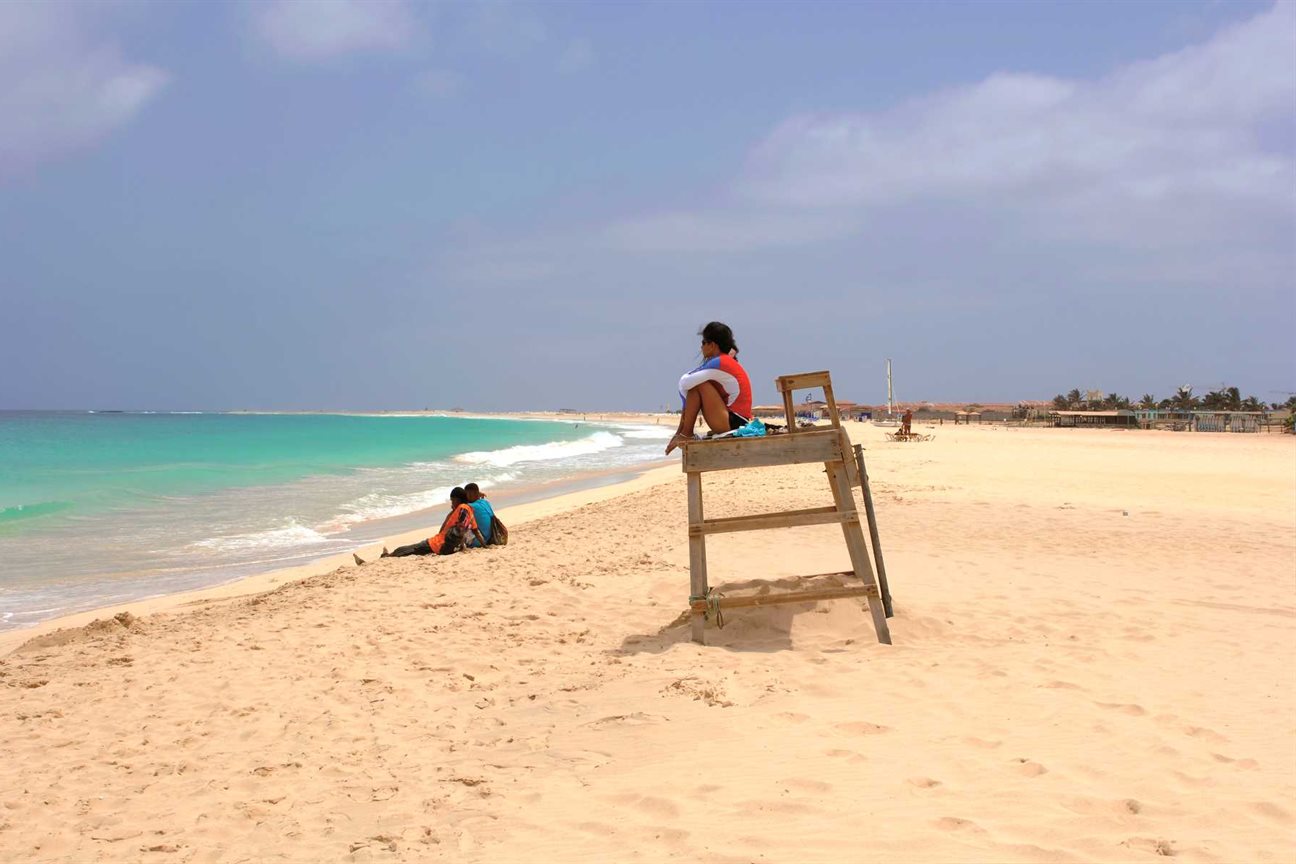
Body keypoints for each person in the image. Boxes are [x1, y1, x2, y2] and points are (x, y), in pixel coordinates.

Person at [666, 321, 752, 454]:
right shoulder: (724, 360)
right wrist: (679, 433)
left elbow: (684, 382)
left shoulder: (719, 362)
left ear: (712, 345)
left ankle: (686, 434)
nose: (701, 347)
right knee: (697, 384)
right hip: (736, 421)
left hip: (734, 423)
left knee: (699, 385)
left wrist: (680, 432)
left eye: (703, 343)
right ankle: (685, 434)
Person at [353, 487, 484, 563]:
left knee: (404, 550)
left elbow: (452, 530)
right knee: (408, 550)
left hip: (437, 545)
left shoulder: (460, 509)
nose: (451, 502)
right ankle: (385, 556)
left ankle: (379, 560)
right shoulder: (468, 511)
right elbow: (474, 531)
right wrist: (485, 546)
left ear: (456, 499)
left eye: (452, 500)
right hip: (444, 546)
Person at [464, 482, 495, 547]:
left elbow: (460, 504)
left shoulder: (470, 506)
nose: (465, 497)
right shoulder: (485, 502)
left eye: (466, 494)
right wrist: (478, 494)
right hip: (490, 537)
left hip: (478, 541)